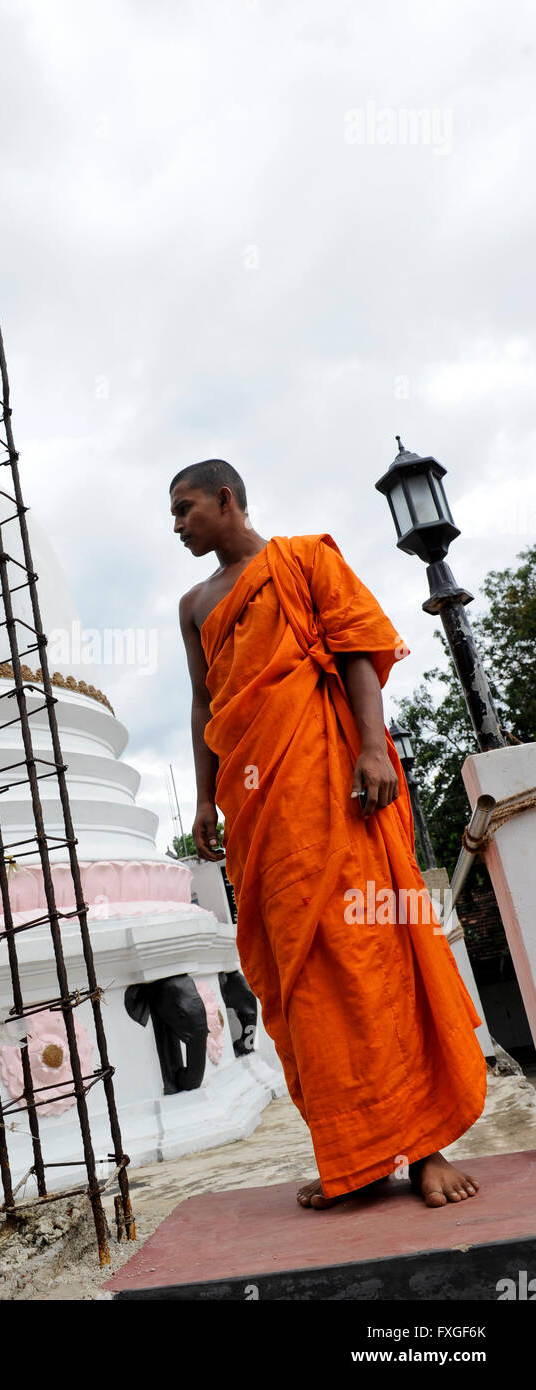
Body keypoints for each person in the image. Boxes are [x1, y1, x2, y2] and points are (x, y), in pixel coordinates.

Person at [172, 458, 487, 1210]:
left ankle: (425, 1148)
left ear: (226, 499)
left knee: (370, 956)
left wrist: (374, 748)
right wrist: (207, 804)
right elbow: (202, 704)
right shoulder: (193, 604)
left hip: (333, 791)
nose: (177, 526)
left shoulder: (305, 559)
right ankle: (355, 1154)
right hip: (260, 818)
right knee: (303, 978)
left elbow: (354, 653)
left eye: (185, 509)